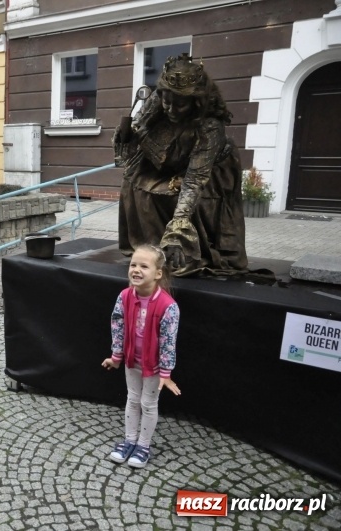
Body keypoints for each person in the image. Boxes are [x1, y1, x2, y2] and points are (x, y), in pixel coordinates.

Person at [113, 53, 248, 277]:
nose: (171, 109)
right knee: (134, 182)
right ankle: (150, 248)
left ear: (197, 101)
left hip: (207, 171)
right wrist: (128, 132)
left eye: (180, 105)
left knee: (177, 195)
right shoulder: (160, 98)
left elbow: (196, 179)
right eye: (167, 101)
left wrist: (178, 228)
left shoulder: (210, 127)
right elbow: (140, 126)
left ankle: (184, 250)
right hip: (168, 160)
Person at [101, 244, 181, 469]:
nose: (136, 269)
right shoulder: (124, 296)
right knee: (132, 399)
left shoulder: (168, 306)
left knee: (148, 403)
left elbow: (168, 340)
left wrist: (166, 373)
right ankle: (129, 441)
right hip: (131, 361)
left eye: (143, 266)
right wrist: (116, 356)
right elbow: (117, 325)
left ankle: (143, 445)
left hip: (153, 366)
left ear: (158, 273)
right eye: (133, 264)